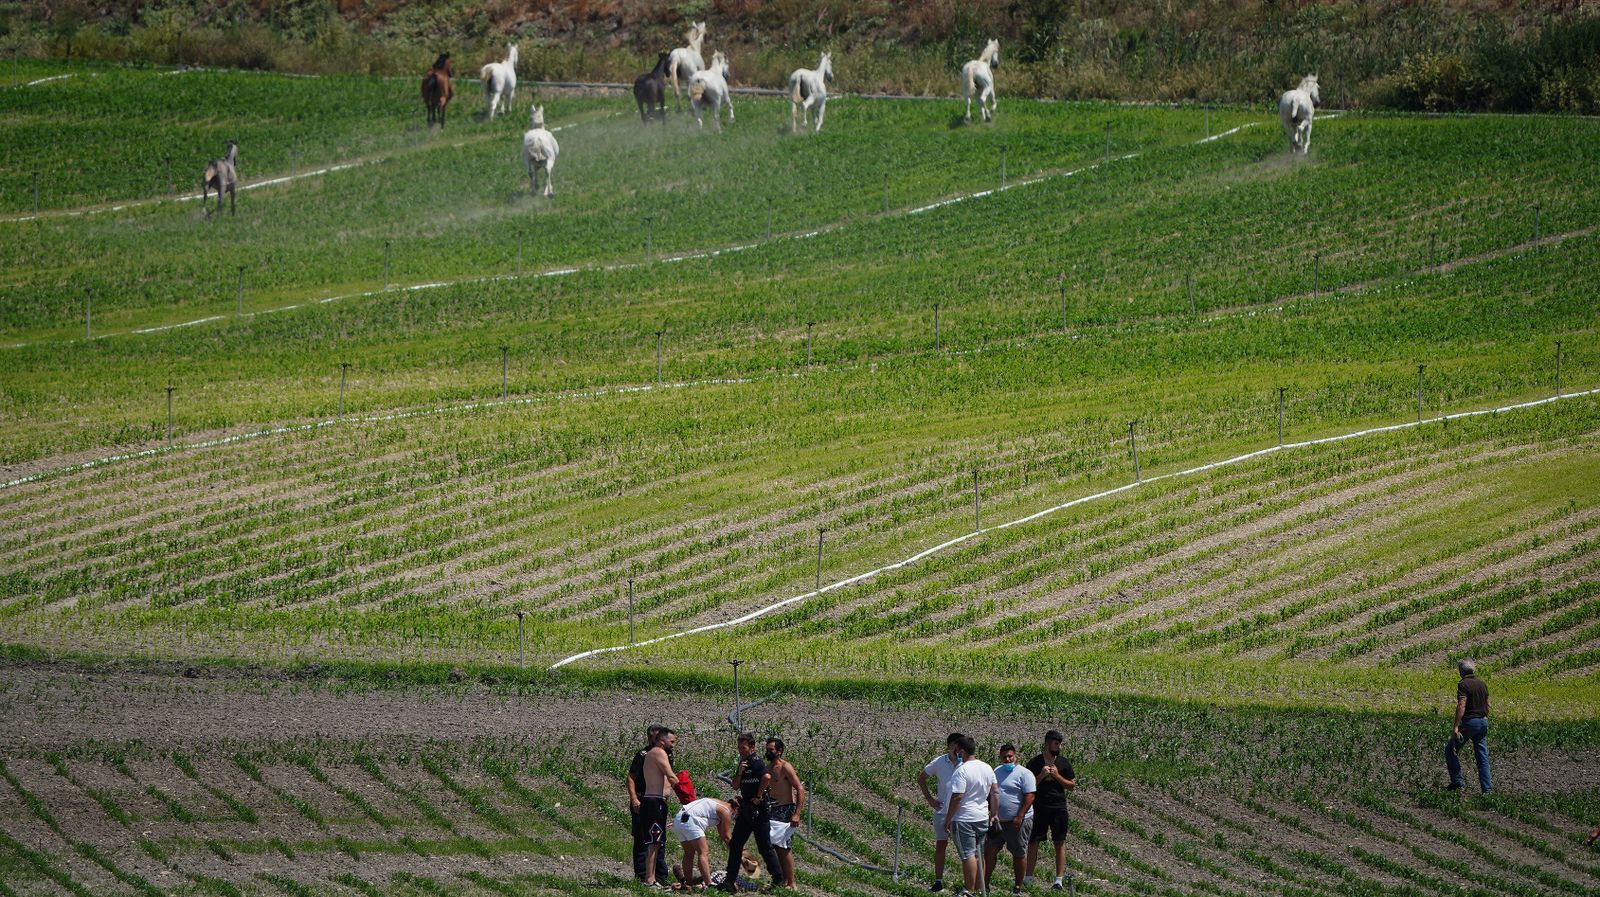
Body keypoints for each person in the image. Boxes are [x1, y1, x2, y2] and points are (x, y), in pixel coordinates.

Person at [719, 733, 782, 892]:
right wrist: (739, 772)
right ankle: (729, 881)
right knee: (735, 844)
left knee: (764, 847)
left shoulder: (756, 762)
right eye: (739, 747)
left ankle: (778, 880)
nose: (741, 750)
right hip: (746, 810)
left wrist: (758, 796)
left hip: (758, 811)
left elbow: (766, 777)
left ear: (752, 748)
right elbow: (734, 786)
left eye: (744, 748)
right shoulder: (743, 763)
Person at [942, 735, 998, 897]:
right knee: (979, 854)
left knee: (968, 855)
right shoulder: (987, 767)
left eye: (957, 750)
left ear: (963, 751)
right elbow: (995, 792)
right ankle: (981, 888)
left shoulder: (962, 770)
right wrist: (993, 813)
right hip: (982, 816)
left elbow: (957, 796)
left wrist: (948, 819)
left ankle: (969, 889)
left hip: (964, 818)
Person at [1025, 730, 1076, 891]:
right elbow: (1028, 786)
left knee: (1059, 842)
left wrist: (1057, 776)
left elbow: (1072, 786)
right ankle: (1028, 877)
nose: (1058, 746)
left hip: (1058, 807)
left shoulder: (1063, 763)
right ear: (1047, 743)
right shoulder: (1034, 762)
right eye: (1056, 743)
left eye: (1060, 744)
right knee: (1034, 842)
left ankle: (1058, 880)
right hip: (1039, 807)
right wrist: (1041, 775)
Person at [985, 744, 1036, 895]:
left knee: (1018, 853)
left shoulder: (1024, 774)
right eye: (1004, 757)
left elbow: (1030, 796)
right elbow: (991, 793)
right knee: (989, 851)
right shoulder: (995, 771)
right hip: (998, 821)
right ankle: (985, 883)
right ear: (1000, 757)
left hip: (1018, 822)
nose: (1007, 759)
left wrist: (1019, 815)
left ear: (1015, 756)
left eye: (1010, 756)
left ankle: (1018, 887)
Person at [917, 733, 965, 893]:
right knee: (940, 845)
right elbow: (922, 778)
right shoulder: (939, 762)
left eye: (961, 745)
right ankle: (938, 881)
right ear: (950, 746)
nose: (958, 748)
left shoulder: (966, 763)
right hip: (943, 810)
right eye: (956, 745)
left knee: (965, 850)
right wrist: (930, 799)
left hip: (961, 813)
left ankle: (968, 885)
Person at [629, 725, 670, 883]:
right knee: (642, 839)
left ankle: (660, 875)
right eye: (654, 738)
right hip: (643, 800)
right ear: (649, 738)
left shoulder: (667, 754)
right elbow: (631, 777)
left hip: (659, 801)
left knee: (659, 839)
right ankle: (641, 875)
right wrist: (634, 798)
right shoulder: (643, 755)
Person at [765, 737, 806, 888]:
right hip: (772, 810)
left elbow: (800, 789)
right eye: (767, 749)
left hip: (785, 809)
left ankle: (792, 882)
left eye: (771, 749)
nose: (768, 752)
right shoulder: (767, 768)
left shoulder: (785, 767)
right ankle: (782, 880)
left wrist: (797, 813)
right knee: (775, 847)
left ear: (779, 751)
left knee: (784, 847)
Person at [1446, 659, 1492, 793]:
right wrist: (1484, 718)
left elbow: (1462, 705)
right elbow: (1488, 705)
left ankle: (1457, 782)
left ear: (1461, 671)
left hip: (1470, 723)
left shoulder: (1463, 684)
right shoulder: (1482, 684)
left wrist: (1456, 726)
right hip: (1483, 722)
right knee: (1482, 756)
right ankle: (1487, 790)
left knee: (1451, 750)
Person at [642, 728, 679, 888]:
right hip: (654, 801)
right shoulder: (658, 752)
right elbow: (670, 775)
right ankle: (649, 879)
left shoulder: (652, 753)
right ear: (662, 740)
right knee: (654, 841)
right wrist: (686, 789)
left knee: (656, 841)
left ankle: (652, 877)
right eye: (672, 742)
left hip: (654, 801)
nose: (673, 745)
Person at [673, 796, 732, 890]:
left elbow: (723, 835)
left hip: (679, 819)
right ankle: (709, 884)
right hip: (691, 820)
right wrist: (737, 852)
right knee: (703, 853)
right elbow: (727, 836)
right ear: (736, 809)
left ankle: (688, 883)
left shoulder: (718, 806)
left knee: (689, 854)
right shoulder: (726, 810)